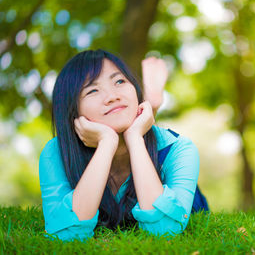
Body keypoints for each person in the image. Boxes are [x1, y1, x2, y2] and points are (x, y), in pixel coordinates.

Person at [39, 49, 208, 242]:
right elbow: (65, 235)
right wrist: (106, 143)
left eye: (119, 81)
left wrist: (135, 137)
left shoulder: (178, 148)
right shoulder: (56, 154)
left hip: (179, 196)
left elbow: (166, 231)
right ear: (72, 111)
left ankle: (153, 103)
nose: (112, 96)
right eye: (92, 90)